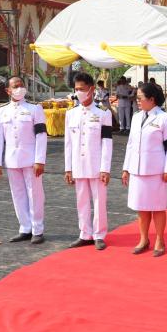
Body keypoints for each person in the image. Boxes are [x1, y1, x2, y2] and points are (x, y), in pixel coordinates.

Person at [122, 83, 167, 256]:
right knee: (142, 207)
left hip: (156, 170)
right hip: (137, 169)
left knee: (157, 207)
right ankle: (144, 238)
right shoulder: (137, 117)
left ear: (151, 99)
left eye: (140, 98)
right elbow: (131, 144)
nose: (137, 101)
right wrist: (126, 168)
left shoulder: (165, 118)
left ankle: (160, 239)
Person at [0, 76, 47, 244]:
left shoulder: (34, 108)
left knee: (35, 194)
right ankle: (25, 228)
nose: (19, 88)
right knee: (18, 194)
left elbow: (41, 135)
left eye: (21, 85)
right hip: (11, 159)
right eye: (15, 86)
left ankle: (37, 229)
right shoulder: (2, 110)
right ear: (8, 91)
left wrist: (40, 160)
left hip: (31, 159)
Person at [65, 72, 113, 251]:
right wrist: (68, 168)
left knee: (99, 200)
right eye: (76, 89)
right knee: (81, 200)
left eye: (82, 89)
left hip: (96, 164)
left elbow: (107, 143)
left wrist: (105, 168)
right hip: (78, 164)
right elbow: (68, 144)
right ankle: (85, 233)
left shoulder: (103, 114)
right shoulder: (71, 114)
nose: (78, 92)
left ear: (91, 89)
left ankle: (99, 234)